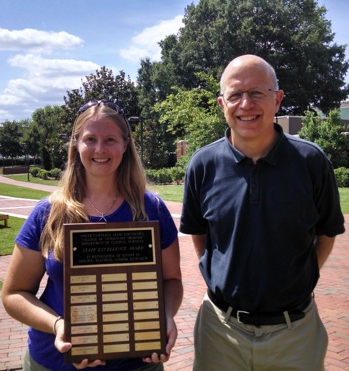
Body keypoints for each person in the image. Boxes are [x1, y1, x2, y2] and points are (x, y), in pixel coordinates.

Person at [179, 54, 345, 370]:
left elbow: (326, 232)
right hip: (220, 332)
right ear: (221, 103)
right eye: (235, 94)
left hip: (295, 333)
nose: (246, 104)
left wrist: (300, 279)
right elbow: (201, 236)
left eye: (257, 93)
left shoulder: (311, 162)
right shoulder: (203, 165)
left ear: (277, 99)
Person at [2, 100, 183, 371]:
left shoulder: (151, 210)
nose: (100, 149)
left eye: (110, 139)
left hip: (137, 363)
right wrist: (58, 325)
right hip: (54, 363)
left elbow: (171, 280)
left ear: (125, 144)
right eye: (90, 139)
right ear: (76, 144)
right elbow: (14, 294)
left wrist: (165, 317)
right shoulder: (48, 212)